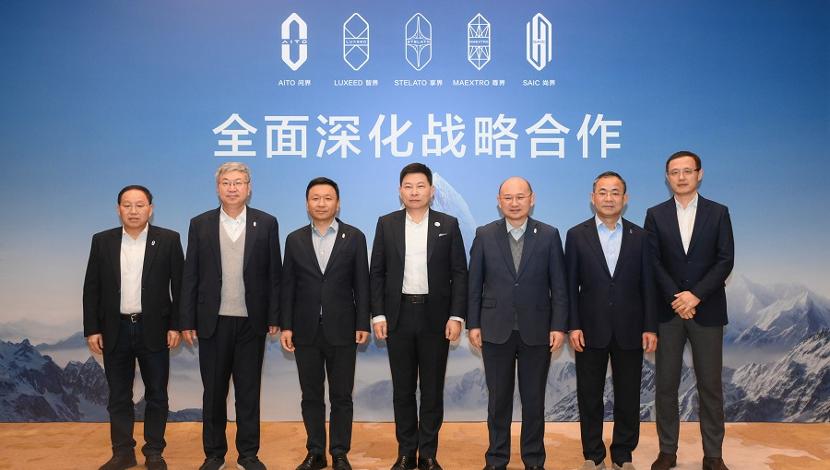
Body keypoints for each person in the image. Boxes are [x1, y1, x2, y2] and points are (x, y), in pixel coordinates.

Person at [180, 162, 281, 470]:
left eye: (239, 182)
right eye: (226, 182)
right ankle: (214, 455)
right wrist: (187, 320)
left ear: (249, 188)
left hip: (252, 321)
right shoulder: (200, 224)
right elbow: (190, 274)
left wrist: (274, 315)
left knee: (248, 392)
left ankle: (248, 455)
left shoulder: (266, 223)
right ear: (217, 188)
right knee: (214, 393)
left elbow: (274, 274)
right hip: (212, 321)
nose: (233, 188)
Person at [369, 163, 468, 470]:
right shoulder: (387, 224)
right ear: (400, 191)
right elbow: (377, 273)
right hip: (398, 316)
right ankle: (405, 452)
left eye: (420, 186)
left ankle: (427, 454)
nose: (414, 192)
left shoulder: (448, 224)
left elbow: (459, 273)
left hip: (435, 317)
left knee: (432, 390)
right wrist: (378, 315)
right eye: (408, 186)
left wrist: (456, 316)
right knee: (403, 390)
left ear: (432, 191)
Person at [467, 176, 568, 470]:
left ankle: (534, 460)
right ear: (499, 202)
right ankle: (496, 459)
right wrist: (474, 324)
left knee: (534, 400)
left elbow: (559, 286)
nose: (514, 203)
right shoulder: (485, 234)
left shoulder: (548, 235)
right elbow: (474, 284)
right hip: (494, 329)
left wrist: (558, 326)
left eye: (520, 197)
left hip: (537, 330)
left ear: (531, 199)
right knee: (498, 400)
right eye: (508, 198)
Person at [83, 185, 184, 470]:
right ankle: (123, 452)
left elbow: (180, 286)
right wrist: (92, 328)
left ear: (151, 209)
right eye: (127, 205)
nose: (133, 211)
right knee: (118, 395)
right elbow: (91, 287)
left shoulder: (168, 240)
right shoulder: (102, 241)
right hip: (115, 329)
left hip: (155, 328)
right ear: (118, 210)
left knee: (157, 394)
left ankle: (154, 452)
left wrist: (176, 325)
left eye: (140, 205)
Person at [644, 151, 734, 470]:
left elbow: (725, 260)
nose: (681, 177)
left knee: (710, 386)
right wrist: (677, 297)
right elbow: (652, 261)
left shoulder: (718, 212)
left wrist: (695, 295)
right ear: (667, 177)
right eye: (674, 172)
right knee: (666, 386)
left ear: (699, 174)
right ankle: (667, 451)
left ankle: (713, 455)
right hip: (668, 313)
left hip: (706, 311)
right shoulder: (655, 215)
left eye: (687, 171)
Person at [565, 171, 658, 470]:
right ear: (592, 198)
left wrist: (650, 326)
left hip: (631, 328)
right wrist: (573, 325)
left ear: (625, 198)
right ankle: (593, 456)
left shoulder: (640, 237)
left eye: (615, 192)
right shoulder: (576, 235)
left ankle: (622, 455)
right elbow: (569, 286)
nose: (609, 198)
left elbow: (648, 285)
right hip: (589, 328)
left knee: (628, 396)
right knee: (589, 395)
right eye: (602, 192)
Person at [280, 177, 370, 470]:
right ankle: (315, 452)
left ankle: (340, 452)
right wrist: (286, 325)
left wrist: (363, 323)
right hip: (305, 329)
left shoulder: (354, 237)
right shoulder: (294, 239)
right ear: (307, 204)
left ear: (338, 203)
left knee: (342, 395)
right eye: (315, 198)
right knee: (311, 395)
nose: (321, 203)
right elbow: (287, 286)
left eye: (328, 198)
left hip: (343, 329)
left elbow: (362, 284)